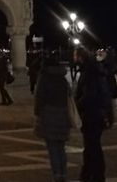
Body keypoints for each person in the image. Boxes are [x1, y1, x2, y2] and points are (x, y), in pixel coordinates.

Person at [74, 47, 113, 182]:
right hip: (98, 113)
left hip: (92, 114)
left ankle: (95, 174)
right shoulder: (95, 71)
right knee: (92, 145)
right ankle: (90, 173)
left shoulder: (89, 73)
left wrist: (77, 105)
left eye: (75, 54)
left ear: (80, 57)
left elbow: (89, 95)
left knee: (92, 146)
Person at [33, 54, 73, 182]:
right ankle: (63, 174)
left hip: (49, 115)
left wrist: (37, 114)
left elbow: (39, 98)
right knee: (61, 148)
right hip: (63, 115)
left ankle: (57, 176)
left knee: (53, 148)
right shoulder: (63, 79)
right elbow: (70, 95)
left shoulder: (44, 78)